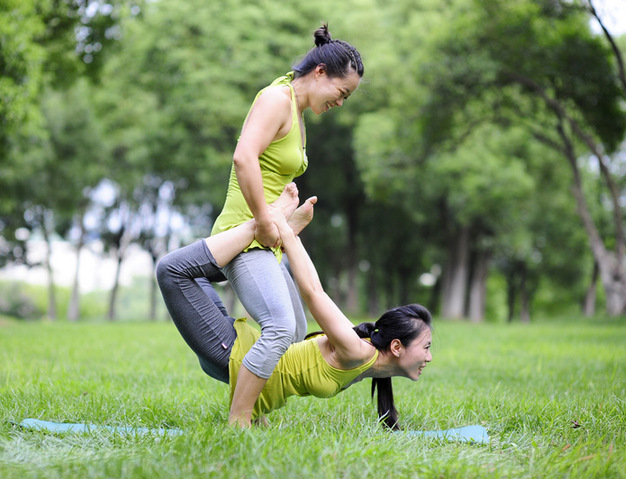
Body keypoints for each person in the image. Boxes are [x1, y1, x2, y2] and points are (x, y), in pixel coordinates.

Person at [156, 186, 432, 429]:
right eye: (426, 347)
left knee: (196, 274)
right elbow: (314, 292)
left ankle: (274, 233)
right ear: (396, 347)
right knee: (173, 271)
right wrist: (289, 234)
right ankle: (264, 225)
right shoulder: (357, 350)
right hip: (231, 354)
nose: (429, 358)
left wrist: (258, 410)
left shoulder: (364, 355)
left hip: (239, 353)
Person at [212, 23, 365, 427]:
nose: (340, 103)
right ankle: (239, 420)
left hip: (269, 239)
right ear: (319, 73)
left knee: (295, 331)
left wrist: (288, 220)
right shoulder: (276, 98)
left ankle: (255, 407)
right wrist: (265, 219)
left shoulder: (296, 111)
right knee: (281, 327)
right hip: (244, 236)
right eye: (341, 92)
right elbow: (244, 158)